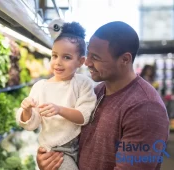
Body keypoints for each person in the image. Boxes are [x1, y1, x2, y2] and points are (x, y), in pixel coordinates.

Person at [36, 21, 170, 170]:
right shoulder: (96, 91)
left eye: (96, 57)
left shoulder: (146, 108)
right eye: (88, 54)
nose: (87, 62)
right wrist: (51, 160)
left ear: (125, 59)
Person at [16, 22, 97, 170]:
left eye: (66, 57)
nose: (58, 62)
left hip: (79, 146)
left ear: (81, 62)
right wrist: (27, 110)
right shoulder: (40, 87)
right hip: (56, 150)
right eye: (54, 56)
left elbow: (84, 117)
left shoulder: (83, 83)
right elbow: (32, 124)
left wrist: (59, 109)